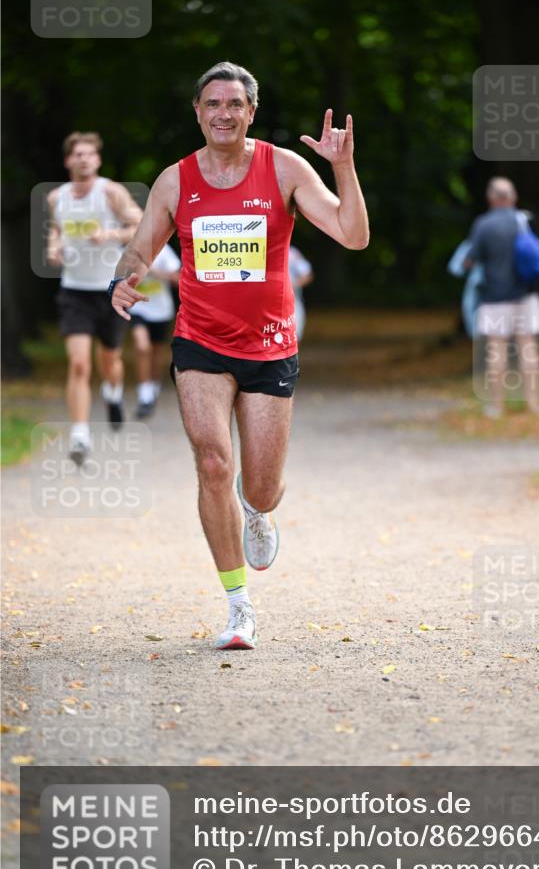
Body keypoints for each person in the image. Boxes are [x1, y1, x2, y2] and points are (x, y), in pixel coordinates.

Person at [109, 61, 369, 650]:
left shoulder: (285, 168)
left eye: (235, 104)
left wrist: (344, 168)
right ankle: (237, 605)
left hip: (271, 345)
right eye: (212, 104)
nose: (223, 113)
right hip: (199, 341)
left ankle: (257, 511)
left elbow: (353, 235)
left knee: (263, 484)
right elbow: (140, 249)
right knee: (211, 463)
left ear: (251, 112)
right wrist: (123, 279)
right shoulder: (175, 181)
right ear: (197, 113)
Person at [47, 132, 142, 464]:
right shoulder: (57, 197)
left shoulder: (111, 192)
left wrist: (111, 234)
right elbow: (57, 231)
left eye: (89, 154)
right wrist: (53, 247)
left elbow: (141, 225)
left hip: (109, 290)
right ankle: (80, 435)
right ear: (68, 161)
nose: (83, 159)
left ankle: (113, 393)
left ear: (97, 160)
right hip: (74, 290)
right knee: (78, 363)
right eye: (77, 154)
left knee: (109, 361)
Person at [467, 177, 539, 417]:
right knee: (528, 347)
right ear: (513, 197)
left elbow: (470, 260)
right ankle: (533, 404)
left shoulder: (484, 225)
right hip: (526, 294)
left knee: (497, 350)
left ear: (491, 198)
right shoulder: (525, 221)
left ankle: (496, 406)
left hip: (494, 297)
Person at [128, 242, 181, 418]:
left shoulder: (162, 250)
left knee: (158, 354)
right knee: (142, 346)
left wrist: (156, 273)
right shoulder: (127, 252)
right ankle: (144, 395)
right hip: (138, 309)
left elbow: (178, 278)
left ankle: (154, 386)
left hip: (161, 311)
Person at [288, 244, 314, 341]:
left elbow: (307, 275)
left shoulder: (292, 253)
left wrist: (291, 285)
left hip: (293, 303)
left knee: (294, 338)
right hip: (270, 304)